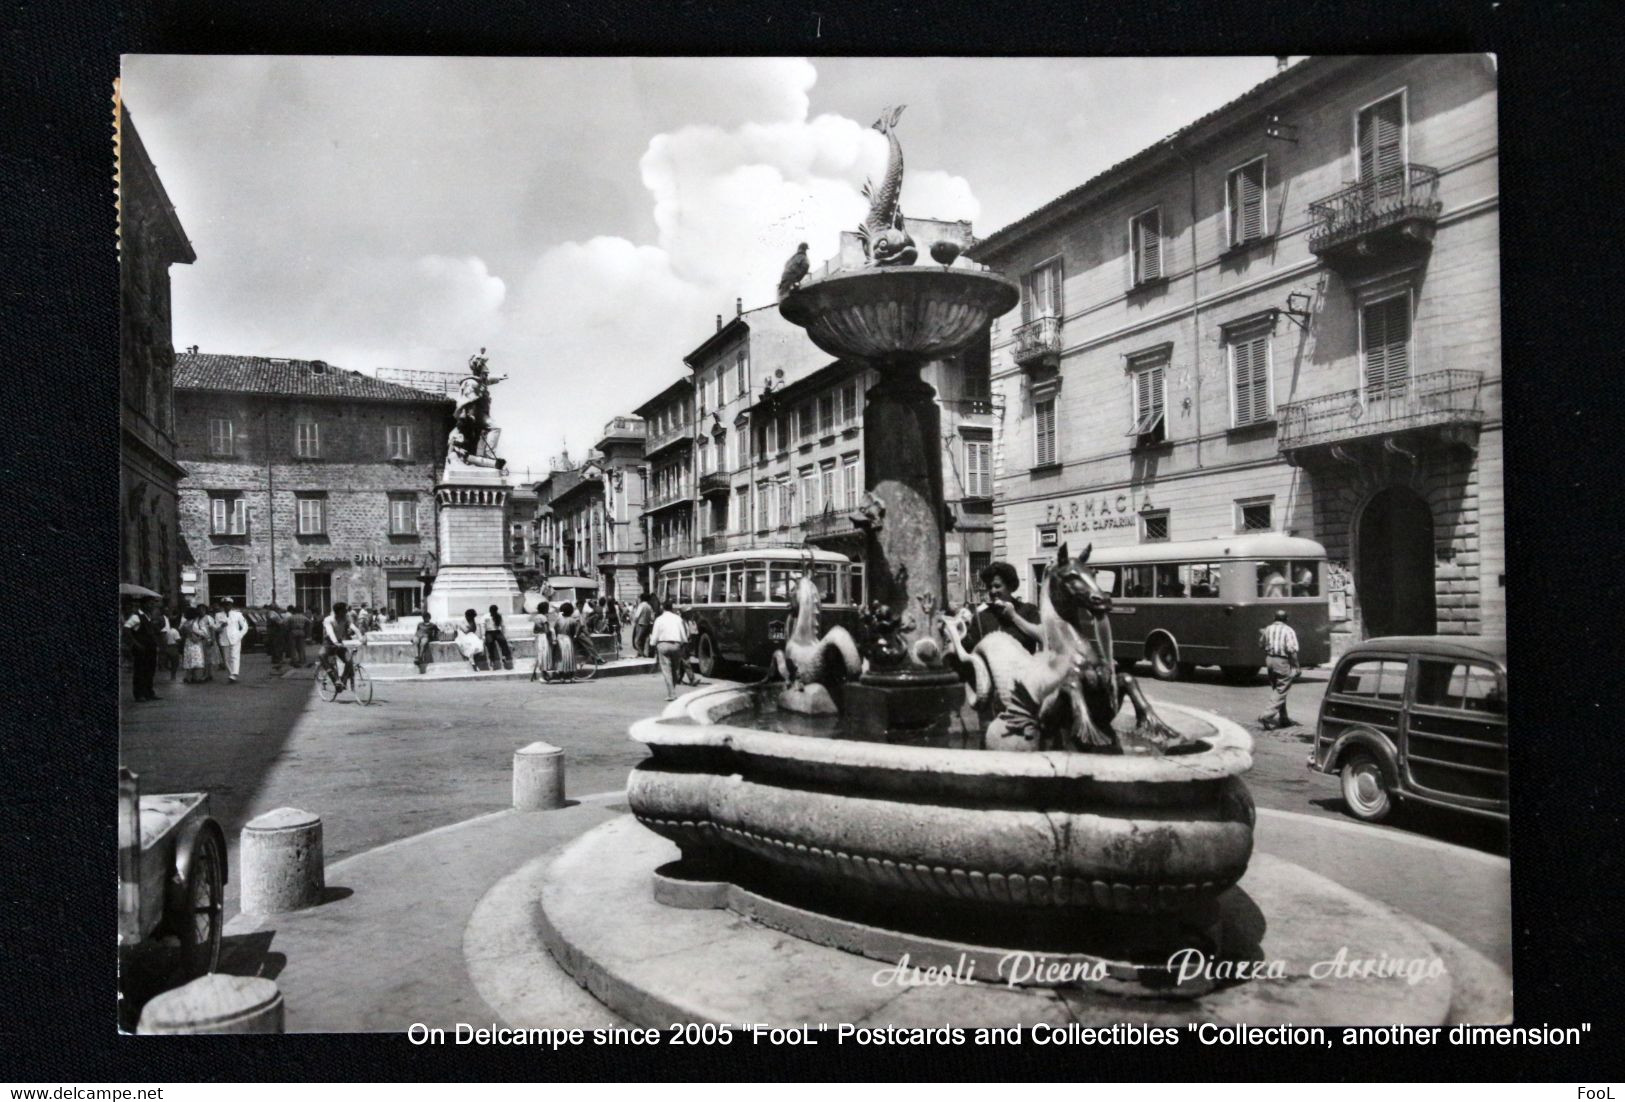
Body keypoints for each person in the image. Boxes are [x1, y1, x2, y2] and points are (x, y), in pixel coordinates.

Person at [962, 561, 1042, 655]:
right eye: (989, 587)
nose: (992, 591)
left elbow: (1042, 637)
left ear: (1010, 586)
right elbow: (970, 653)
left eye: (997, 586)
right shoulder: (982, 616)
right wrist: (961, 631)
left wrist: (1014, 617)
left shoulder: (1028, 610)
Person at [1257, 610, 1301, 729]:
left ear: (1274, 618)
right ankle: (1266, 715)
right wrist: (1297, 667)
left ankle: (1284, 718)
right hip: (1282, 661)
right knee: (1281, 690)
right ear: (1286, 619)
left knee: (1277, 689)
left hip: (1270, 660)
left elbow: (1261, 644)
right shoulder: (1289, 630)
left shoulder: (1268, 629)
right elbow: (1292, 651)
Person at [650, 598, 690, 701]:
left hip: (663, 645)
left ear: (663, 608)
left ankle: (671, 693)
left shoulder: (659, 619)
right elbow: (683, 634)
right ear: (672, 608)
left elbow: (655, 635)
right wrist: (684, 643)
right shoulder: (678, 619)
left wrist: (652, 644)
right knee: (675, 670)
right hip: (676, 645)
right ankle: (672, 691)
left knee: (666, 670)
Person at [123, 596, 161, 702]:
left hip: (150, 648)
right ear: (143, 604)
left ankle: (149, 692)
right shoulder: (136, 616)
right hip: (141, 648)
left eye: (153, 603)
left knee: (150, 670)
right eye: (150, 603)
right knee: (140, 671)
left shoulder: (148, 617)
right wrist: (135, 643)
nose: (152, 606)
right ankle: (139, 694)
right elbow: (126, 628)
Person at [321, 601, 360, 688]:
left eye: (346, 610)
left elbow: (354, 628)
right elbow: (330, 632)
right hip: (328, 643)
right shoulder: (329, 620)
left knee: (349, 661)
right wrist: (335, 642)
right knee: (322, 655)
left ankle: (342, 680)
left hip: (339, 642)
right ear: (337, 611)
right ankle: (334, 679)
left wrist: (361, 638)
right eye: (343, 611)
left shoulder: (346, 618)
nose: (346, 612)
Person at [218, 597, 249, 683]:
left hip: (235, 637)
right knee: (226, 658)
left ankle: (234, 674)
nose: (226, 606)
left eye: (228, 604)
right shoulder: (218, 615)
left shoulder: (237, 614)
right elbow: (216, 627)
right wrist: (221, 626)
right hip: (224, 639)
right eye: (224, 605)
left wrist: (240, 634)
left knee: (235, 656)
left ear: (231, 605)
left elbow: (245, 626)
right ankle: (231, 674)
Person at [181, 605, 210, 682]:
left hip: (187, 643)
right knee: (196, 660)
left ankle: (188, 677)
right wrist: (202, 634)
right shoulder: (194, 623)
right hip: (195, 643)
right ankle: (195, 677)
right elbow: (204, 633)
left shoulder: (185, 623)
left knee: (189, 659)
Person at [482, 604, 513, 670]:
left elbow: (503, 625)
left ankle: (505, 656)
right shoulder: (485, 616)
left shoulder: (499, 616)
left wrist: (504, 634)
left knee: (503, 641)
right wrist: (483, 635)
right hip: (489, 632)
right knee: (490, 642)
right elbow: (483, 626)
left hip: (497, 631)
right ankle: (492, 659)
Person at [632, 592, 655, 659]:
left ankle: (642, 654)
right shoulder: (649, 606)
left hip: (640, 624)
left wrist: (634, 622)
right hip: (647, 624)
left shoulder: (641, 605)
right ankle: (639, 654)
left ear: (641, 598)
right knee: (643, 640)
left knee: (636, 641)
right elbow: (652, 618)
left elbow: (637, 615)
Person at [265, 604, 287, 672]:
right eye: (277, 608)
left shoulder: (272, 613)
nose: (278, 609)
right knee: (277, 645)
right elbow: (277, 621)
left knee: (276, 645)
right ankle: (277, 659)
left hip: (274, 631)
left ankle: (276, 659)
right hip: (276, 632)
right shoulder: (272, 613)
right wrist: (282, 622)